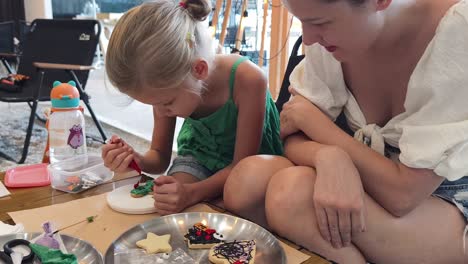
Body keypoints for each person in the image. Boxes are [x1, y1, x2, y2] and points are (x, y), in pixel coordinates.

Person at [224, 0, 468, 263]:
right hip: (373, 173)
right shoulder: (328, 41)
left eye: (320, 23)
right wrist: (328, 156)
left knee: (291, 196)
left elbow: (403, 195)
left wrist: (322, 130)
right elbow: (291, 130)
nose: (307, 38)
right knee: (247, 182)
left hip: (442, 197)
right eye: (301, 21)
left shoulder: (458, 32)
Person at [102, 0, 283, 215]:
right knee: (167, 202)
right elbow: (159, 157)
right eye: (153, 105)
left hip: (247, 167)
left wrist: (192, 193)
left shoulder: (249, 80)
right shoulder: (166, 87)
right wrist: (135, 159)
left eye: (166, 103)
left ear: (198, 70)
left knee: (235, 205)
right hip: (199, 157)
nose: (160, 111)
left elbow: (240, 166)